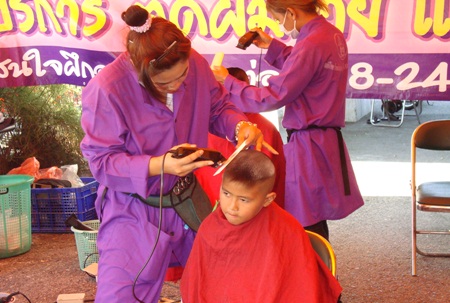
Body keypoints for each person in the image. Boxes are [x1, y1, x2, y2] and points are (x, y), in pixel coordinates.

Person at [80, 5, 270, 303]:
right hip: (133, 208)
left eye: (182, 76)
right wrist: (159, 165)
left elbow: (218, 106)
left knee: (225, 283)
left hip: (186, 198)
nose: (177, 86)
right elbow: (102, 162)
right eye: (164, 83)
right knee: (122, 295)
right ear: (140, 69)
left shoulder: (192, 62)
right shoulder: (107, 89)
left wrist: (240, 125)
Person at [212, 0, 364, 240]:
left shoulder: (312, 43)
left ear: (291, 12)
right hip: (322, 139)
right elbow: (303, 68)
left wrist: (227, 82)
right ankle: (318, 273)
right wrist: (272, 47)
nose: (278, 24)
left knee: (307, 224)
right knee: (313, 218)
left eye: (276, 18)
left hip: (310, 143)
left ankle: (315, 274)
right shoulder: (329, 34)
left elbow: (273, 95)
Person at [180, 150, 342, 302]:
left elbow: (295, 292)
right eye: (226, 194)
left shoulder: (285, 231)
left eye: (244, 200)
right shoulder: (211, 226)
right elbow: (195, 284)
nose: (231, 207)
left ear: (267, 199)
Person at [195, 66, 286, 208]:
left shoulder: (204, 127)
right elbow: (277, 181)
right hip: (248, 208)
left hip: (208, 209)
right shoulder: (266, 127)